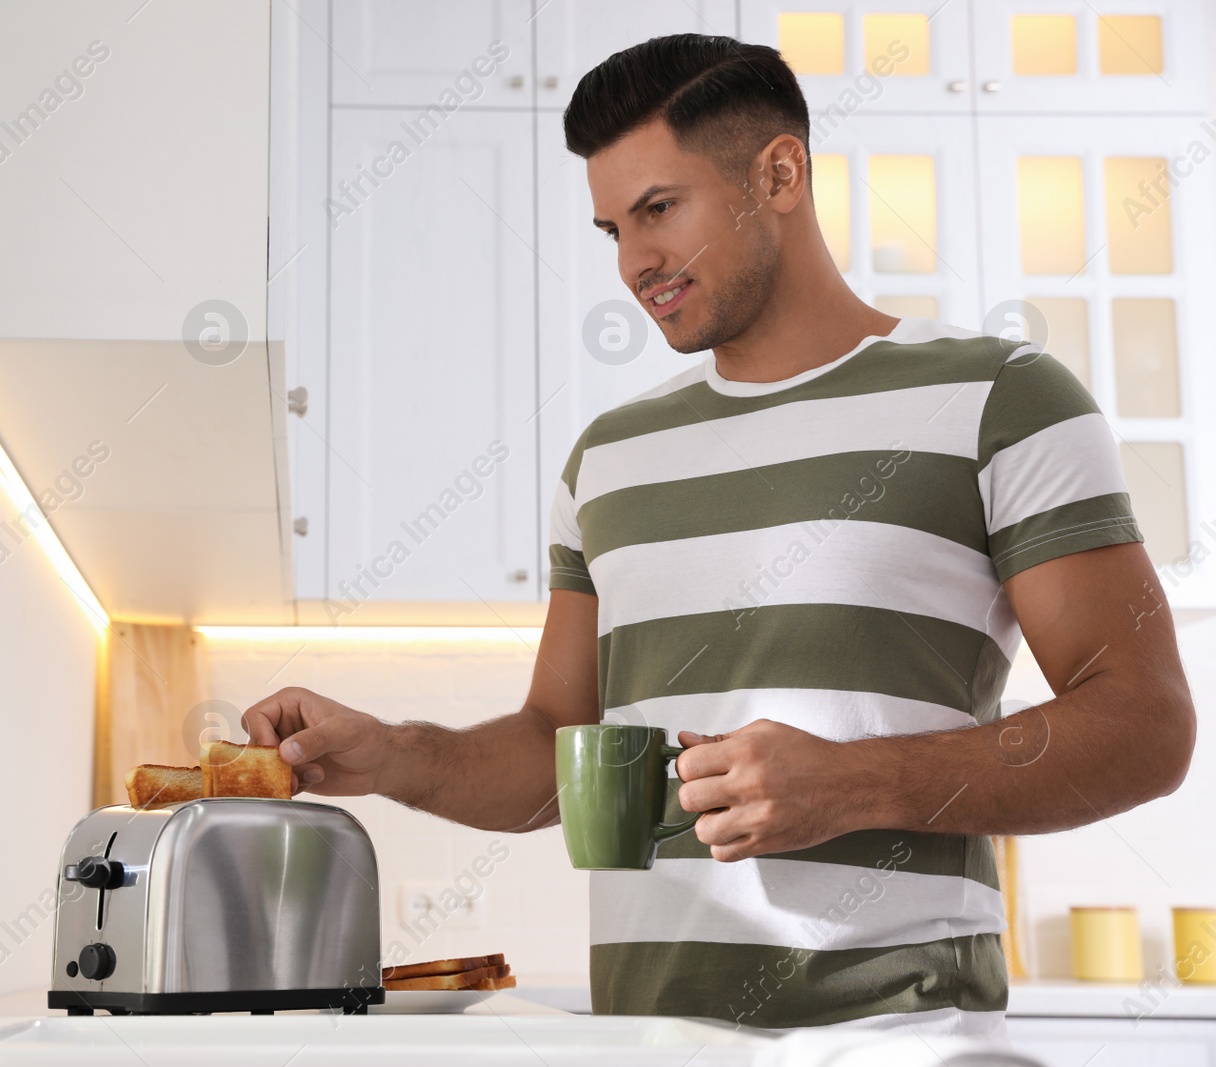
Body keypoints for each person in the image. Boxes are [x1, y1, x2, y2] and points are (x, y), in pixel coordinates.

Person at [242, 33, 1195, 1037]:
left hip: (898, 1040)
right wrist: (388, 751)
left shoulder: (996, 397)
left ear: (777, 173)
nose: (633, 261)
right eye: (611, 227)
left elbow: (1144, 723)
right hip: (648, 1042)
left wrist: (855, 780)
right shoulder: (608, 458)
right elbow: (556, 754)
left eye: (658, 210)